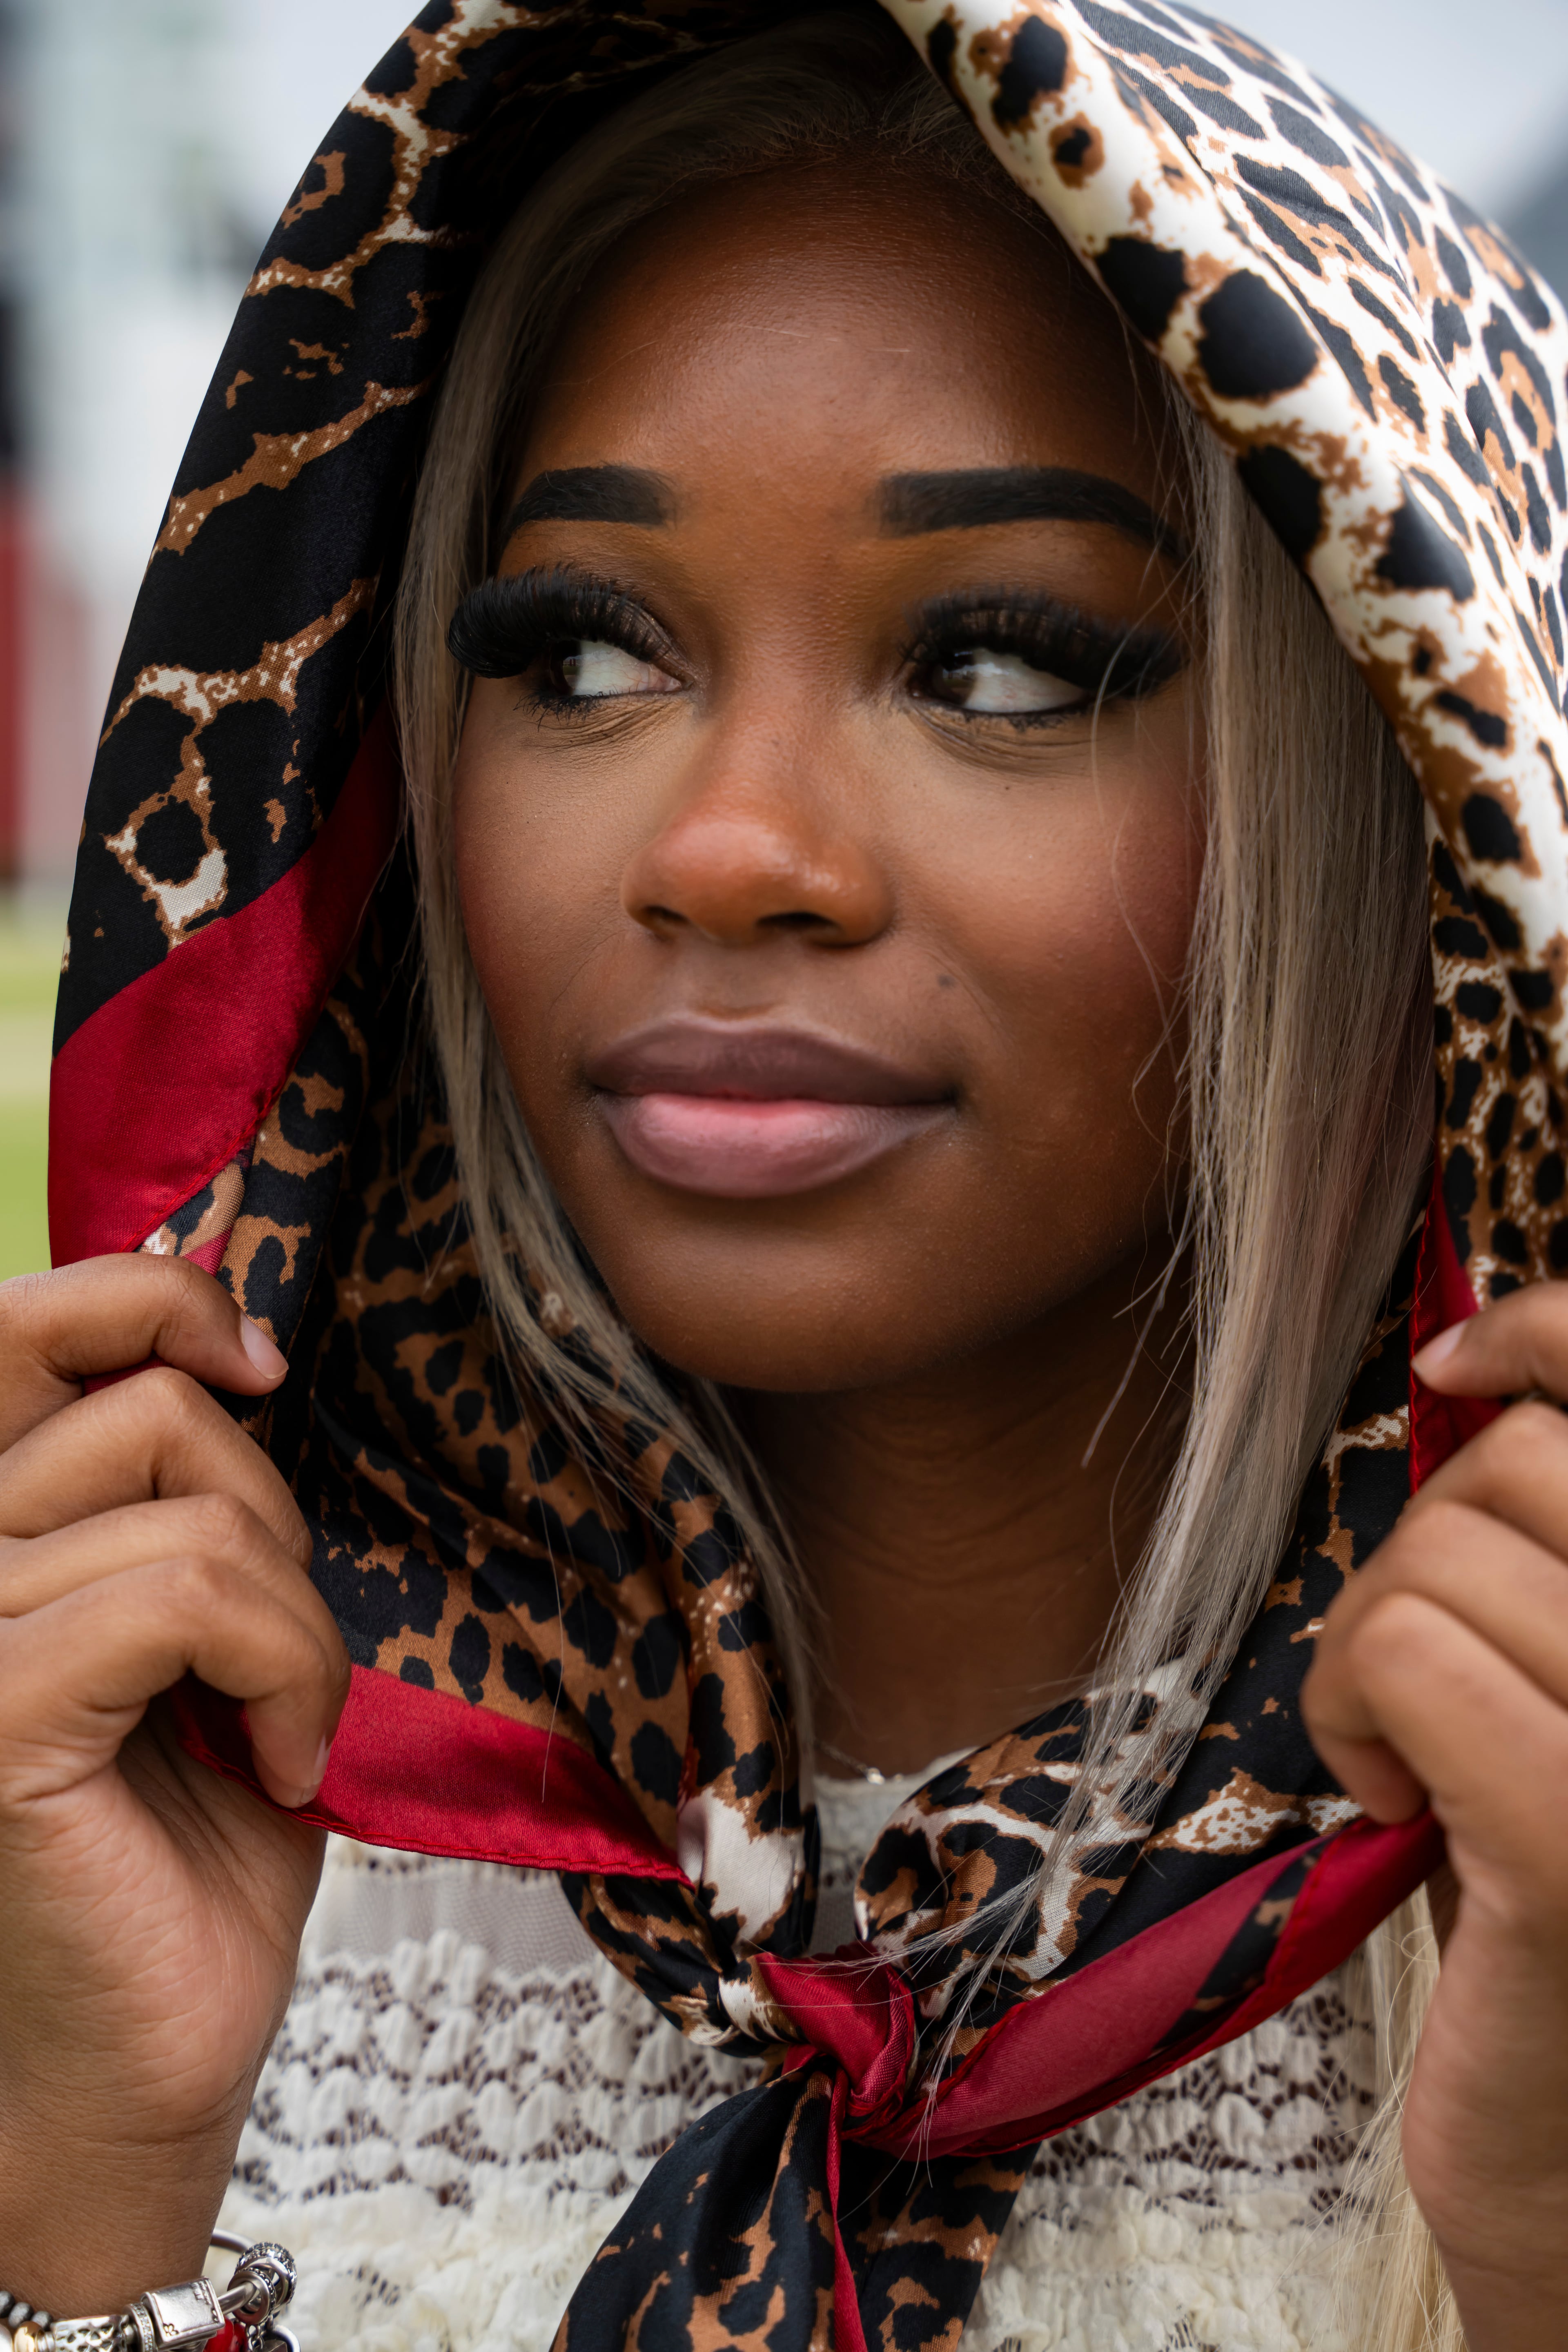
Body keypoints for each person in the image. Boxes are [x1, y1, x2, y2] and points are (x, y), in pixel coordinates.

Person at [6, 4, 1568, 2346]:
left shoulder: (1519, 1906)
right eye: (582, 654)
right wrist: (83, 2197)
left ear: (1400, 789)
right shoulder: (125, 1816)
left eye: (1002, 668)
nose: (730, 849)